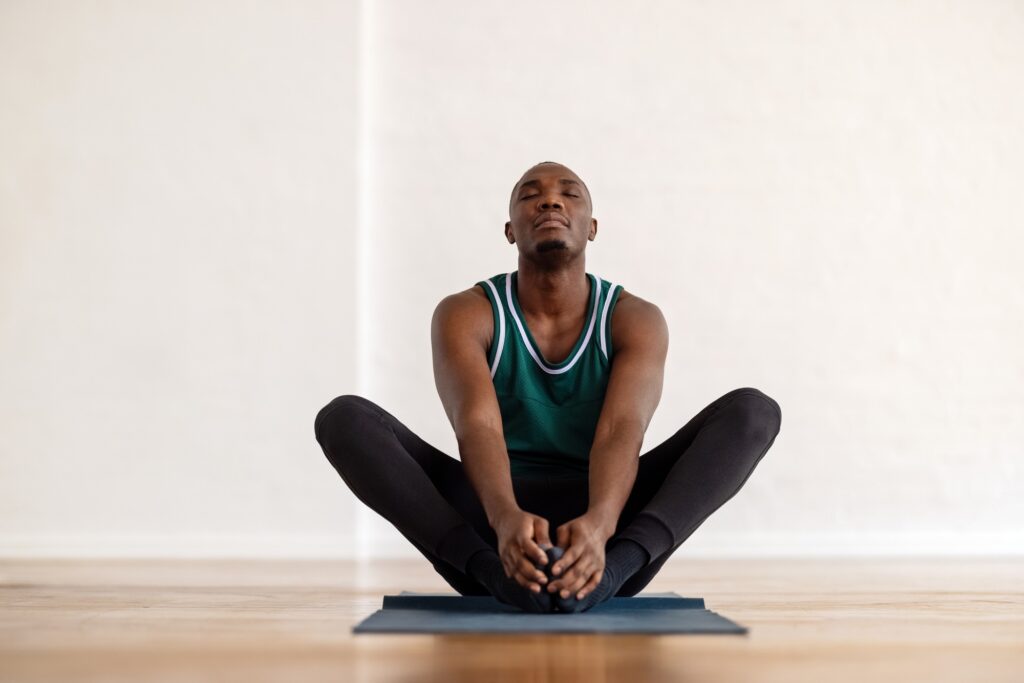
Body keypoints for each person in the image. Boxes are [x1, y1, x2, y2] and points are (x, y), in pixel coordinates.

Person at [314, 161, 782, 613]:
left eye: (568, 194)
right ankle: (496, 577)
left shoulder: (634, 318)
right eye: (530, 195)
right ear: (510, 230)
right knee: (345, 419)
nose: (550, 201)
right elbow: (477, 424)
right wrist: (503, 519)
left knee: (752, 412)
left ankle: (610, 574)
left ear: (592, 227)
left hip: (610, 525)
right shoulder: (467, 313)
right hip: (490, 525)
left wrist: (600, 527)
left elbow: (622, 428)